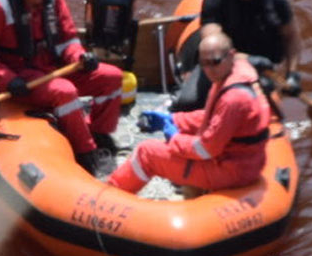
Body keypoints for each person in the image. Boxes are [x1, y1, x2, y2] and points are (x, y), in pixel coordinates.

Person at [0, 0, 126, 178]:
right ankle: (87, 154)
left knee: (112, 77)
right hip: (21, 77)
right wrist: (8, 80)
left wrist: (79, 57)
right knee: (65, 92)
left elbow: (68, 39)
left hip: (52, 68)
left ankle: (99, 134)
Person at [109, 32, 270, 194]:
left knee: (146, 153)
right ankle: (192, 192)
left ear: (231, 55)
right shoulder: (231, 75)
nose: (209, 70)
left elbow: (206, 149)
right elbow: (213, 118)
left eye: (215, 62)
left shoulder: (233, 99)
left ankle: (111, 196)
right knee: (183, 134)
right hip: (241, 161)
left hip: (233, 170)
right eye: (204, 63)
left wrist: (175, 138)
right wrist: (174, 119)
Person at [171, 0, 302, 111]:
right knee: (188, 102)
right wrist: (246, 60)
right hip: (222, 62)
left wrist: (292, 74)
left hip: (263, 67)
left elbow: (291, 37)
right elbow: (213, 41)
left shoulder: (275, 0)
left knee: (259, 106)